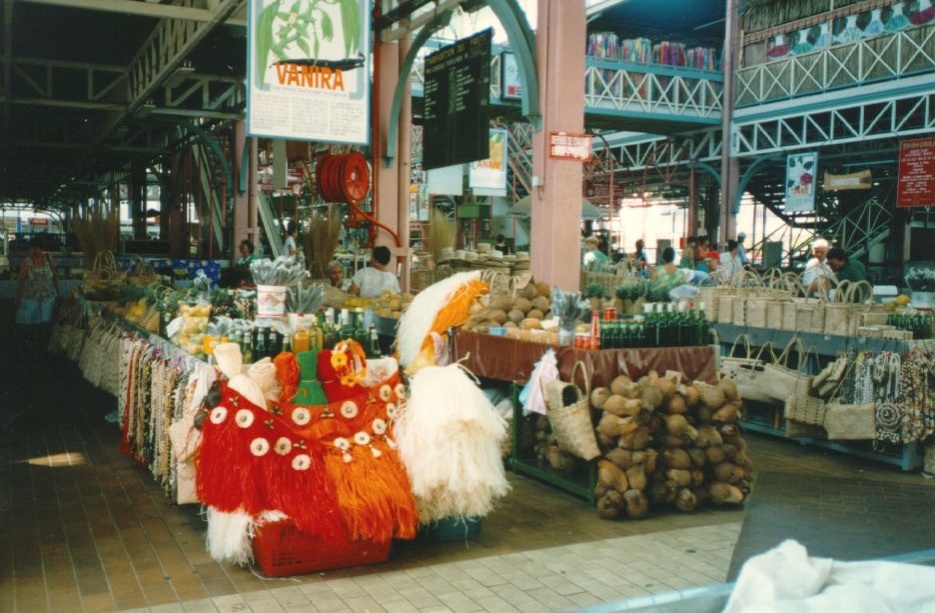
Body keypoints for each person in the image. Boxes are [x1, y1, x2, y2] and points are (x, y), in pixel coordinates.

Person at [15, 236, 58, 353]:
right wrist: (18, 298)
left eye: (37, 248)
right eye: (32, 248)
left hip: (48, 295)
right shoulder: (27, 262)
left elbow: (55, 277)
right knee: (30, 321)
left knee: (45, 320)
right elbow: (20, 280)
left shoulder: (49, 259)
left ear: (42, 248)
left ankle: (43, 343)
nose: (34, 251)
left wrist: (57, 292)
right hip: (31, 296)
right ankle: (29, 342)